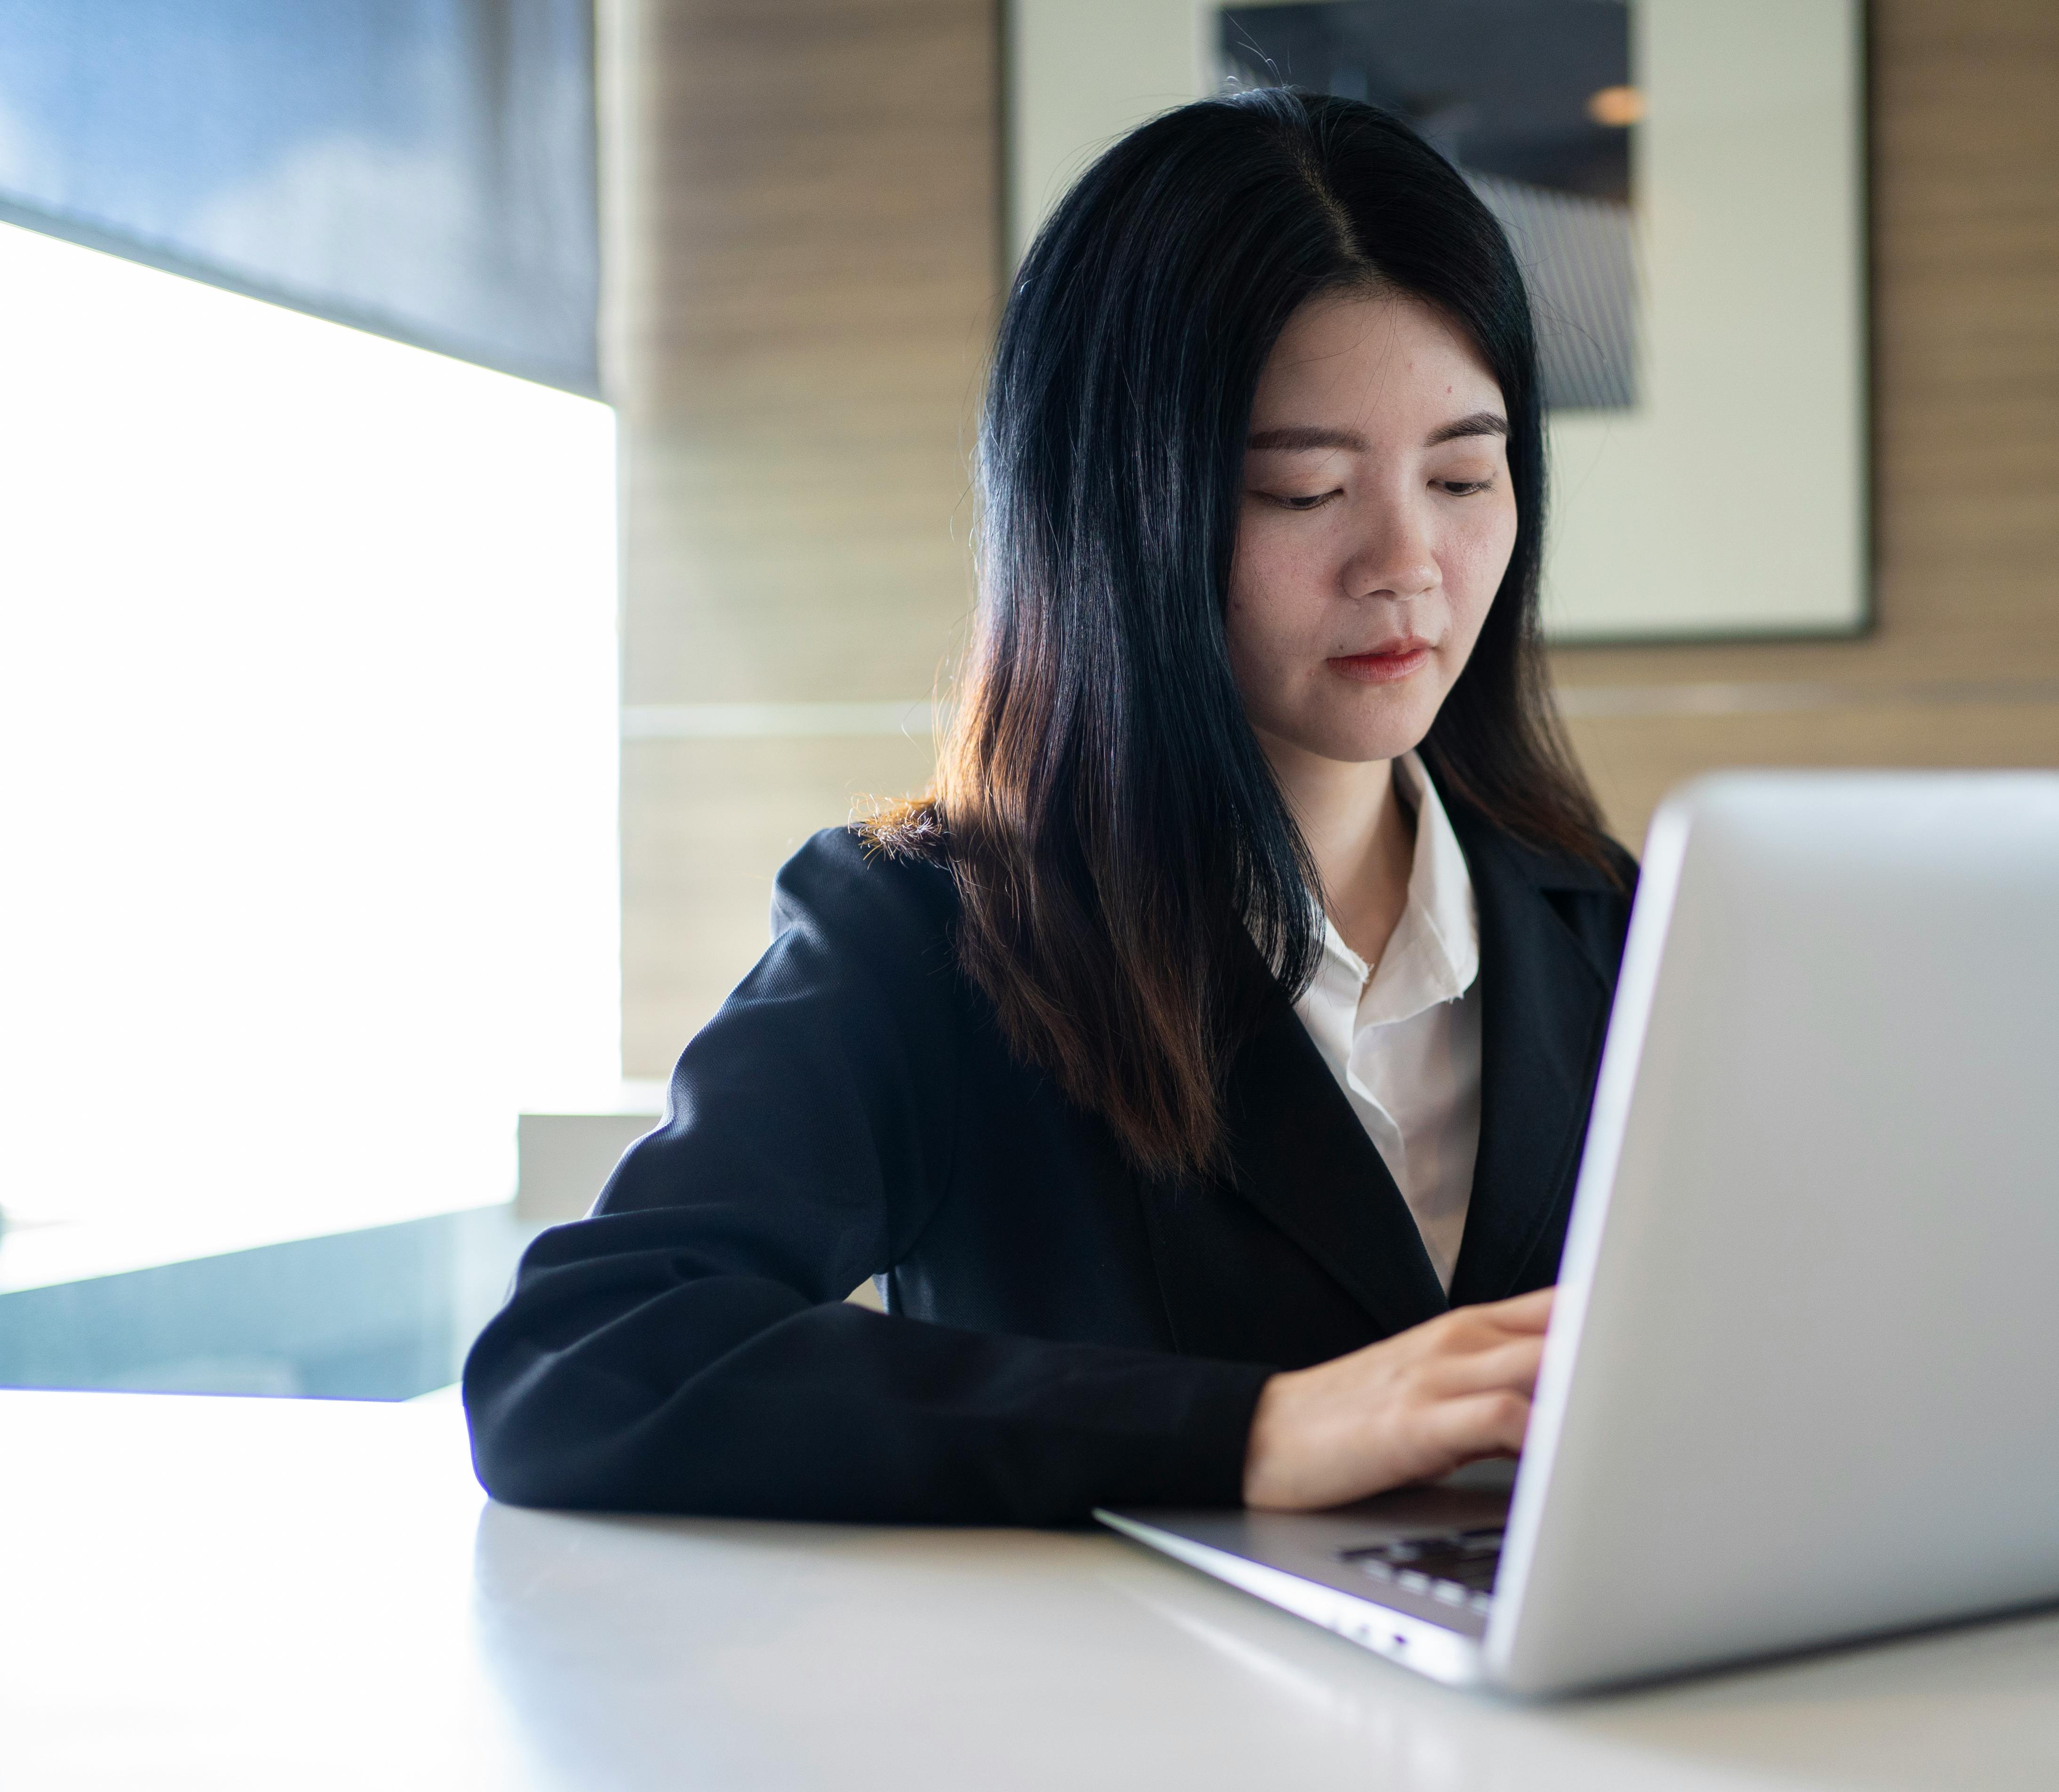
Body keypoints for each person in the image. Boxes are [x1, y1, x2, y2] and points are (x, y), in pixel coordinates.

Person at [463, 88, 1634, 1526]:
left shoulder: (1610, 918)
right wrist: (1253, 1434)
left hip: (1556, 1731)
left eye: (1464, 473)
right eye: (1304, 492)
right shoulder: (931, 928)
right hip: (1097, 1740)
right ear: (1117, 512)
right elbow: (577, 1364)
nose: (1412, 563)